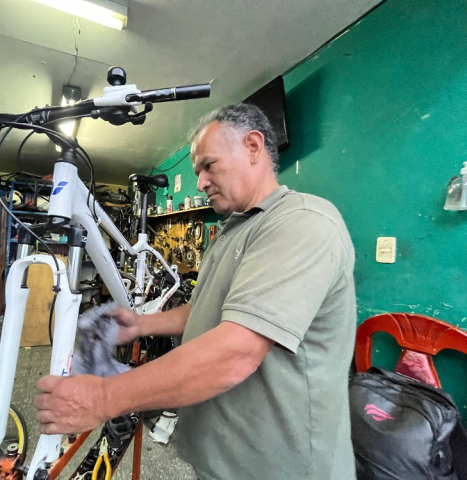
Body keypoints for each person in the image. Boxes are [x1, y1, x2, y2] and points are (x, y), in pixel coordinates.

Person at [34, 102, 357, 479]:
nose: (200, 182)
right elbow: (206, 309)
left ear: (253, 147)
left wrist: (104, 398)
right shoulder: (233, 230)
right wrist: (140, 325)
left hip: (282, 467)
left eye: (208, 165)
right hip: (226, 461)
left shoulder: (301, 222)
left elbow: (236, 351)